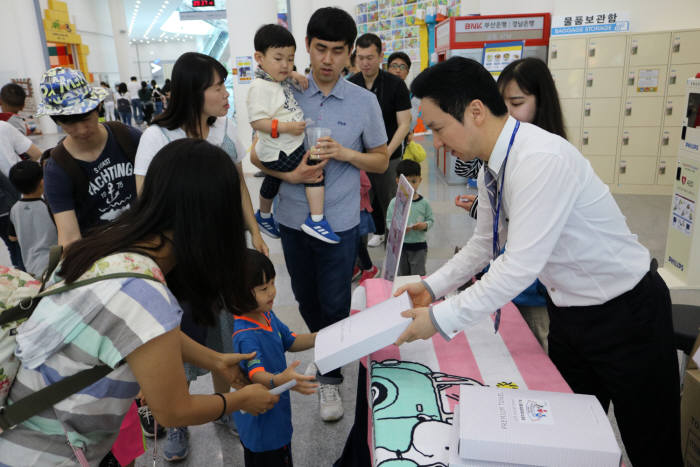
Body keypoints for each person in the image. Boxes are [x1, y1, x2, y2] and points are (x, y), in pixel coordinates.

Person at [393, 57, 682, 467]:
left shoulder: (539, 158)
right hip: (569, 314)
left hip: (627, 315)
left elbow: (518, 266)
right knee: (570, 439)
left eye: (438, 128)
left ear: (475, 111)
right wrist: (433, 286)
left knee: (652, 445)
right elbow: (484, 245)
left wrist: (441, 318)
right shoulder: (494, 166)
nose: (436, 142)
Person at [0, 139, 279, 466]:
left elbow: (143, 333)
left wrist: (215, 360)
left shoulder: (110, 242)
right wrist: (239, 400)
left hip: (20, 423)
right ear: (211, 216)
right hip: (46, 452)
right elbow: (172, 409)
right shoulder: (145, 292)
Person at [250, 7, 388, 422]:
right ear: (306, 48)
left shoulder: (364, 102)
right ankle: (328, 351)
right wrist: (290, 173)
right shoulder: (285, 92)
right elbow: (257, 153)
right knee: (307, 299)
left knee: (335, 301)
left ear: (350, 54)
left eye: (338, 51)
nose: (328, 59)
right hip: (293, 221)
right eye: (320, 48)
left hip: (341, 223)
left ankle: (331, 380)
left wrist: (344, 154)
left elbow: (381, 161)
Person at [134, 51, 269, 460]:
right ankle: (175, 419)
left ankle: (220, 406)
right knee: (179, 337)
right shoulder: (158, 137)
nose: (225, 94)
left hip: (223, 250)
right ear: (194, 91)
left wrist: (255, 232)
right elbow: (147, 201)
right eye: (216, 87)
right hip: (181, 263)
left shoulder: (224, 130)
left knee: (222, 329)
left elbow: (239, 186)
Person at [453, 57, 567, 352]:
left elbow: (526, 246)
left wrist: (443, 315)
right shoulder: (494, 159)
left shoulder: (546, 158)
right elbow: (491, 233)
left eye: (516, 103)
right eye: (500, 103)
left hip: (542, 293)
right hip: (508, 287)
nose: (506, 114)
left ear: (542, 103)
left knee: (541, 361)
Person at [249, 24, 339, 244]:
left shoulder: (276, 80)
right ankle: (316, 220)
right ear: (259, 58)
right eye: (279, 59)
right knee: (315, 171)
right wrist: (286, 127)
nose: (285, 65)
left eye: (290, 59)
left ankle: (264, 215)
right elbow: (257, 121)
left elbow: (285, 76)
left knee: (273, 178)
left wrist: (294, 74)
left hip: (283, 147)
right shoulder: (260, 87)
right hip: (281, 149)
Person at [232, 249, 318, 467]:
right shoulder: (246, 335)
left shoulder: (266, 314)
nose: (272, 292)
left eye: (272, 283)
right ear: (240, 294)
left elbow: (291, 340)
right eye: (263, 288)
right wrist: (280, 380)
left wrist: (322, 337)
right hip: (262, 422)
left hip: (276, 411)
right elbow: (256, 373)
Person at [38, 67, 141, 247]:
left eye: (86, 118)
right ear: (57, 121)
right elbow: (69, 237)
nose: (82, 130)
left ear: (98, 107)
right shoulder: (57, 169)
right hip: (99, 254)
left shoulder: (127, 137)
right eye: (70, 123)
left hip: (144, 238)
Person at [349, 34, 411, 248]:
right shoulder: (351, 85)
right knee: (364, 203)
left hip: (390, 156)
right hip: (360, 158)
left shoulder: (395, 85)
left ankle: (396, 245)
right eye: (360, 57)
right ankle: (372, 239)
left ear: (380, 56)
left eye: (370, 57)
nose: (365, 62)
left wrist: (385, 152)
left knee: (391, 204)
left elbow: (404, 123)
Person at [0, 120, 41, 271]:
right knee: (32, 245)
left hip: (3, 208)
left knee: (13, 247)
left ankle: (24, 285)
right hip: (18, 198)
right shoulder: (3, 127)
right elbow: (36, 154)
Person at [7, 160, 57, 277]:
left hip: (32, 269)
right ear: (42, 182)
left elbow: (12, 237)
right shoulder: (49, 206)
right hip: (56, 264)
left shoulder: (14, 210)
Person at [386, 159, 433, 277]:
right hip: (400, 246)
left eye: (413, 181)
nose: (410, 186)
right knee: (402, 275)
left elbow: (431, 220)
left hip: (419, 247)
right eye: (406, 182)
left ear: (420, 180)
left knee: (418, 276)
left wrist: (425, 225)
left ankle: (415, 295)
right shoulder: (394, 203)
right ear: (398, 181)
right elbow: (389, 221)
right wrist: (398, 228)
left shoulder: (424, 203)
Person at [352, 170, 380, 281]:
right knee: (350, 242)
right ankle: (353, 268)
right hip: (347, 211)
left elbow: (366, 184)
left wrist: (351, 193)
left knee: (357, 242)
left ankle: (369, 269)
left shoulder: (357, 168)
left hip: (359, 211)